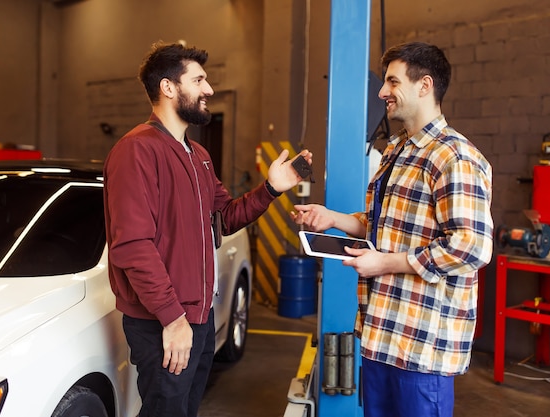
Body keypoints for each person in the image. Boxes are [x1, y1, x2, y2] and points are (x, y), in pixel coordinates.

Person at [103, 41, 312, 417]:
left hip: (197, 318)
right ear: (168, 88)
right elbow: (132, 245)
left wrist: (270, 189)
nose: (209, 90)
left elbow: (226, 217)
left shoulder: (198, 156)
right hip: (162, 322)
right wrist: (172, 317)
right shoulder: (136, 151)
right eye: (199, 80)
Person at [291, 42, 493, 417]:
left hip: (421, 347)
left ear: (424, 85)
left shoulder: (454, 157)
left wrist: (384, 264)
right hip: (380, 336)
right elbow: (383, 226)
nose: (383, 92)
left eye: (392, 82)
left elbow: (471, 247)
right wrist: (332, 219)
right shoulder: (397, 151)